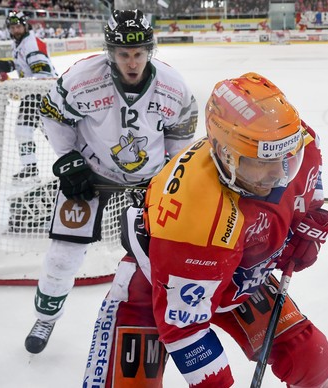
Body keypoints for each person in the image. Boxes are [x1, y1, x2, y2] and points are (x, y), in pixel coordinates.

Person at [84, 73, 328, 387]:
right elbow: (183, 327)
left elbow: (307, 188)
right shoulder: (195, 214)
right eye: (261, 162)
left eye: (287, 158)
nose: (279, 175)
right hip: (155, 289)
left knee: (310, 356)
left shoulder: (299, 144)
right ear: (225, 154)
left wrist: (305, 225)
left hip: (240, 278)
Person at [23, 9, 198, 354]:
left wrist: (170, 178)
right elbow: (52, 114)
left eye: (138, 54)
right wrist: (66, 159)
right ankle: (46, 316)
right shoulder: (82, 78)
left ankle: (165, 320)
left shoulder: (173, 87)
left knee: (158, 252)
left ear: (150, 51)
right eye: (123, 54)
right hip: (91, 173)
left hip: (149, 179)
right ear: (110, 52)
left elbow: (181, 138)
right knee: (64, 252)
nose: (132, 63)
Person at [0, 10, 58, 182]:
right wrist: (8, 65)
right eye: (13, 27)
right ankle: (30, 168)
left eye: (18, 26)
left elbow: (43, 73)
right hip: (32, 93)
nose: (16, 30)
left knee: (55, 134)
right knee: (24, 131)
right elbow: (23, 64)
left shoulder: (31, 44)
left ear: (25, 25)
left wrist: (22, 89)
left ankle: (80, 162)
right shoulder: (20, 43)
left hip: (42, 94)